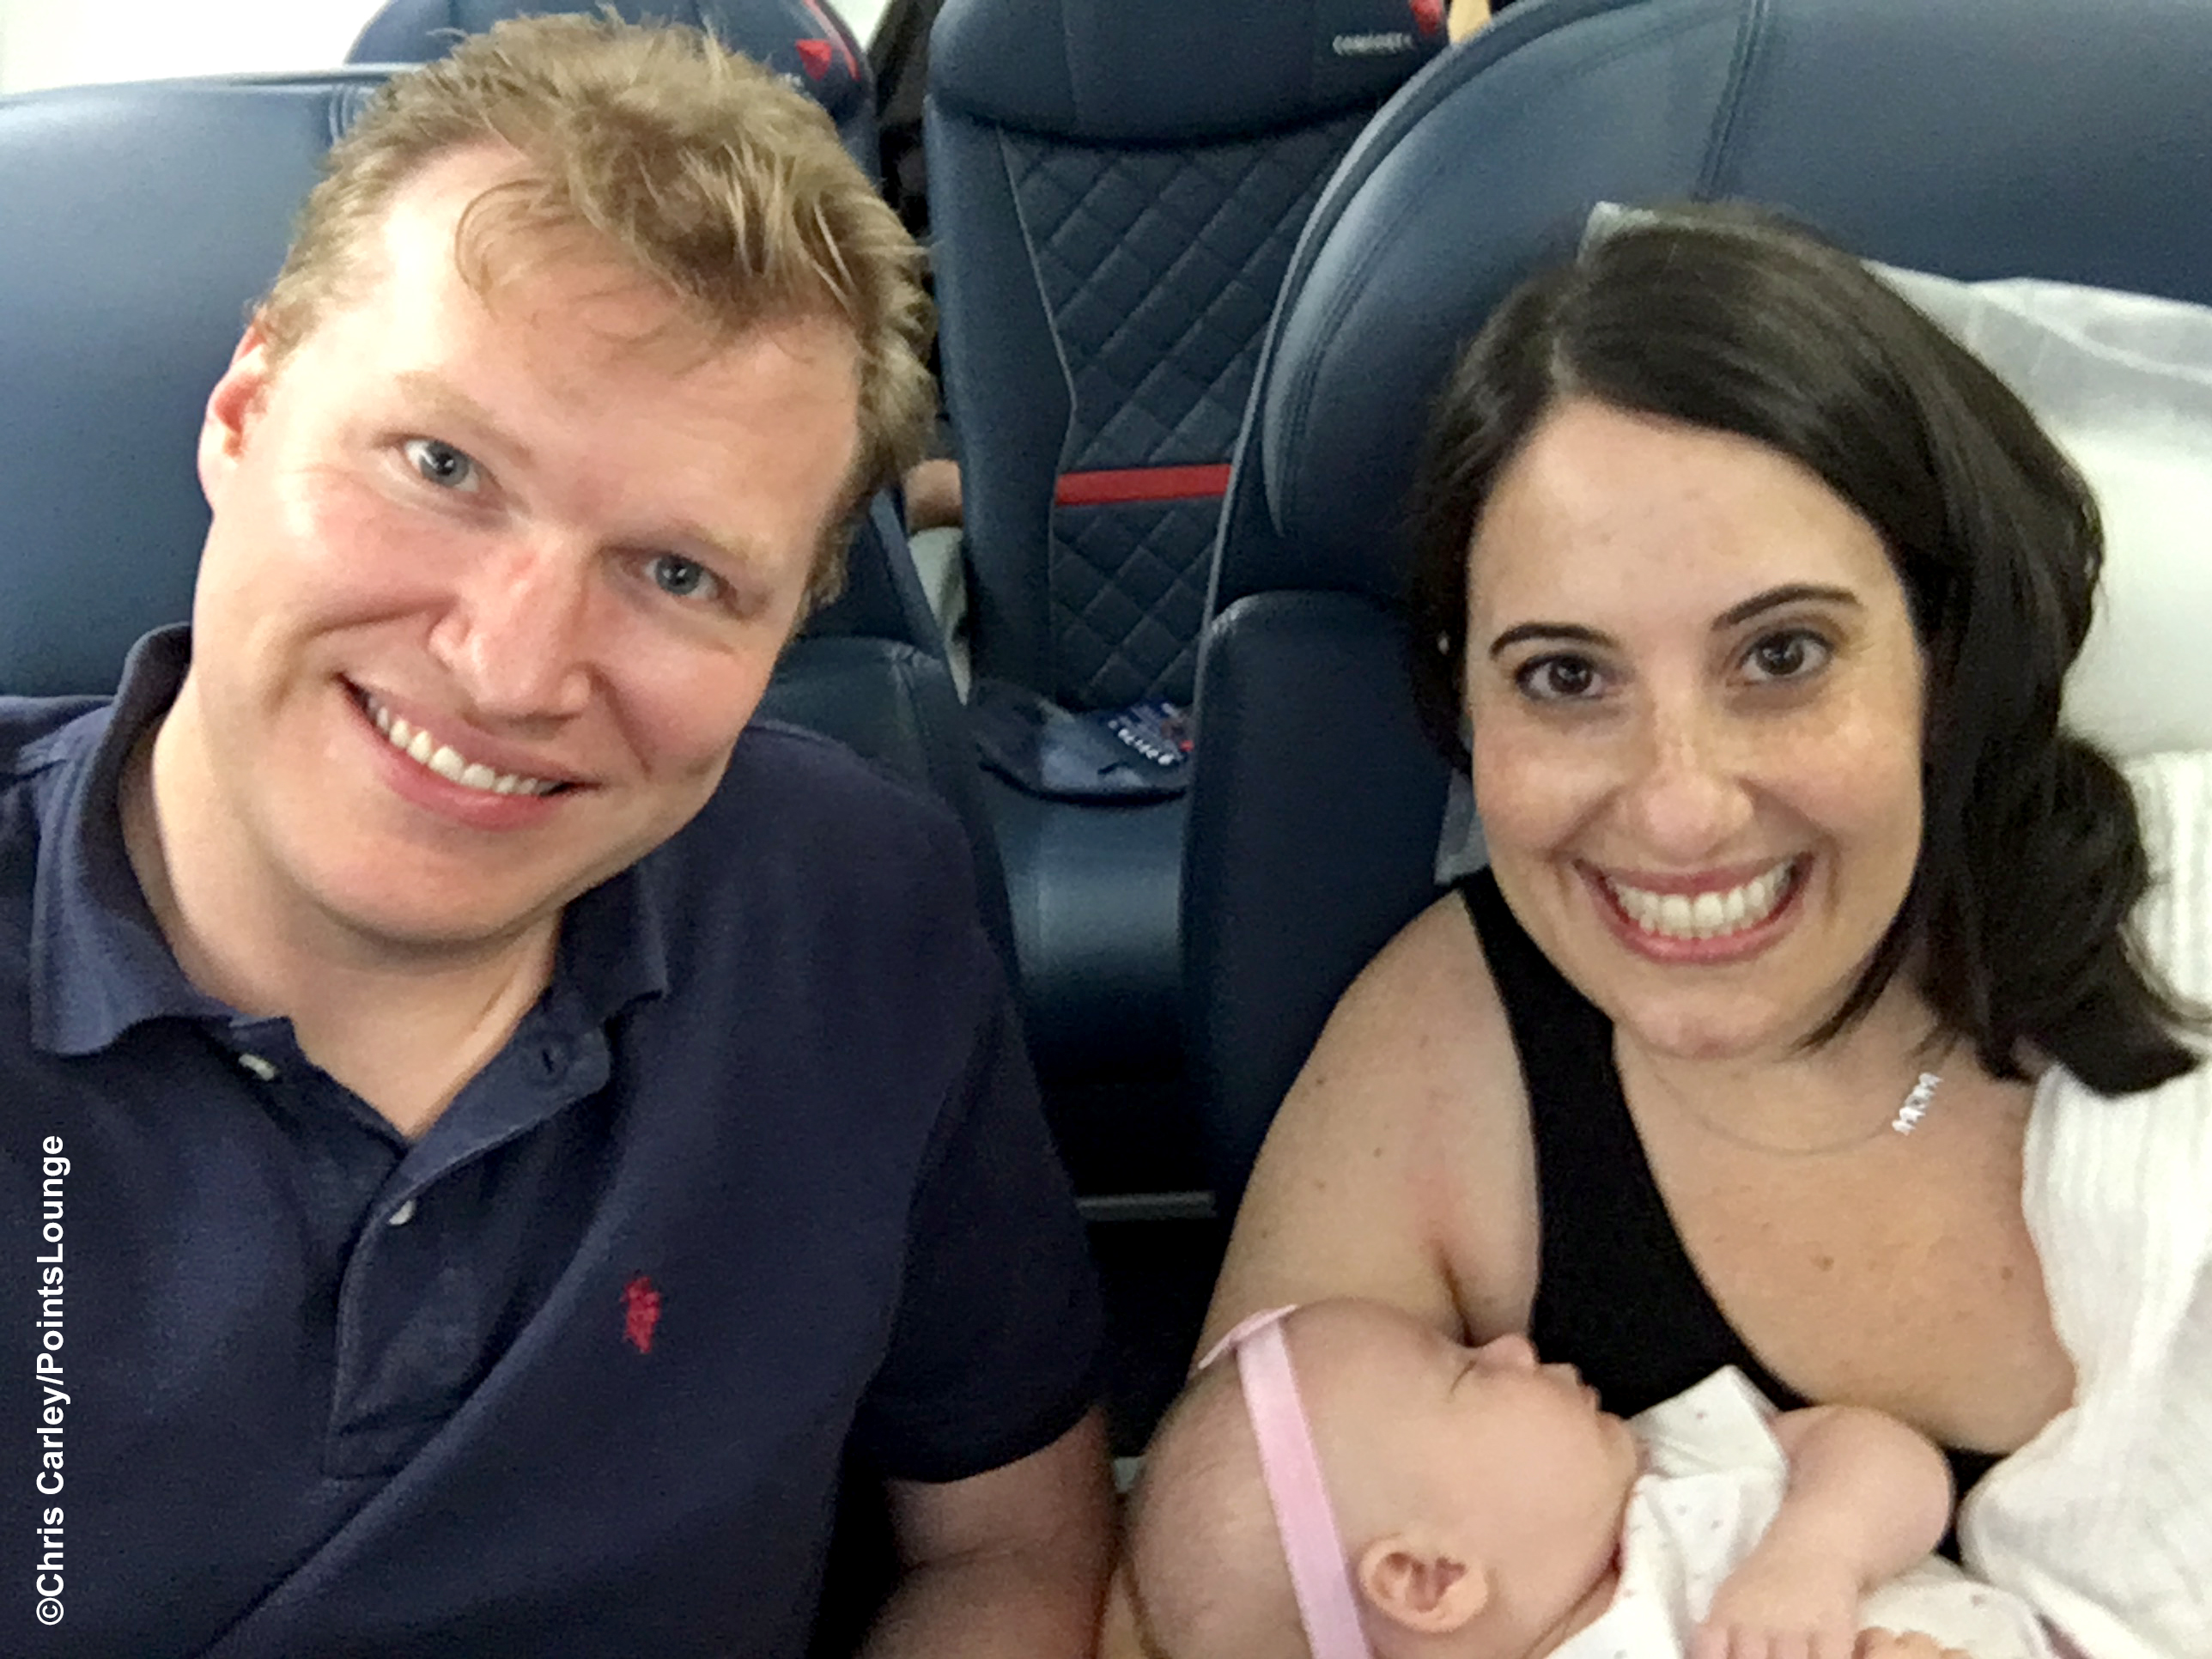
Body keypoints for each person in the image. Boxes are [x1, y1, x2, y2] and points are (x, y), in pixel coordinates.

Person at [0, 17, 1111, 1657]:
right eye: (441, 465)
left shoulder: (848, 914)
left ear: (784, 630)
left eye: (678, 575)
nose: (512, 667)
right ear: (243, 413)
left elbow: (1009, 1545)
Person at [1182, 205, 2210, 1654]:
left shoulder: (2195, 919)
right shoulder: (1438, 1070)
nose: (1677, 811)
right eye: (1562, 676)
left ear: (1945, 649)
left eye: (1781, 655)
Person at [1126, 1297, 2055, 1659]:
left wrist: (1818, 1554)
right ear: (1428, 1578)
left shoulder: (1667, 1459)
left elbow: (1891, 1459)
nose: (1512, 1346)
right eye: (1464, 1371)